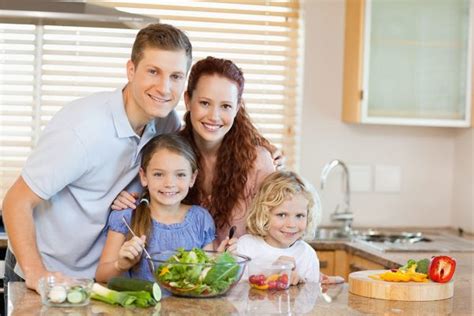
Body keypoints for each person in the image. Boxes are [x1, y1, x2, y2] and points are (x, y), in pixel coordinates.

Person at [2, 23, 192, 294]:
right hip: (45, 271)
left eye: (176, 76)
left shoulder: (165, 124)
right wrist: (37, 274)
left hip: (101, 277)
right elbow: (16, 201)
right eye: (153, 72)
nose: (164, 87)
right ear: (131, 70)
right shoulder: (82, 129)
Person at [112, 56, 277, 246]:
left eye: (226, 106)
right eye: (205, 103)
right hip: (178, 274)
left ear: (237, 108)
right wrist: (129, 200)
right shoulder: (170, 152)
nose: (214, 116)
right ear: (188, 100)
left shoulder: (258, 161)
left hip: (244, 274)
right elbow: (150, 199)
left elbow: (276, 227)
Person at [96, 134, 229, 282]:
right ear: (144, 176)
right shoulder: (125, 217)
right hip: (141, 304)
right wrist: (120, 265)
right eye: (159, 174)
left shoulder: (201, 219)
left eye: (180, 175)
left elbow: (205, 278)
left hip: (188, 305)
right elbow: (101, 275)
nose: (169, 183)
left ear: (192, 178)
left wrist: (220, 261)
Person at [236, 171, 320, 285]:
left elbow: (309, 299)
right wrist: (272, 274)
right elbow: (236, 295)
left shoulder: (307, 255)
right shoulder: (246, 246)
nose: (291, 224)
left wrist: (301, 285)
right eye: (282, 215)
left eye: (299, 216)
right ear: (264, 214)